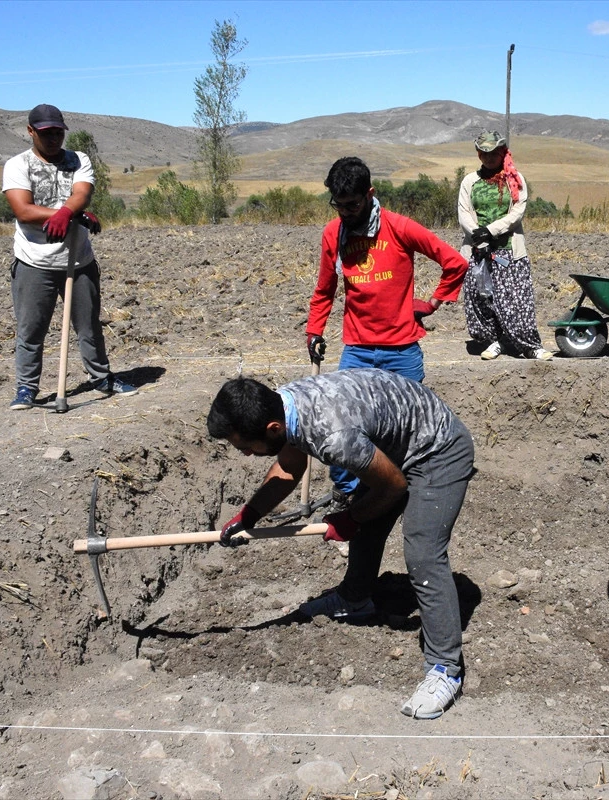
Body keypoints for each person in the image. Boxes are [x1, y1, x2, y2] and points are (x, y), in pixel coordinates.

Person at [207, 369, 474, 719]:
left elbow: (394, 487)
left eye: (243, 446)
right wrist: (250, 514)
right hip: (399, 442)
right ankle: (355, 598)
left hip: (438, 450)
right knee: (365, 516)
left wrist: (351, 519)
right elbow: (289, 467)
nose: (242, 452)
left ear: (272, 429)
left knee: (423, 552)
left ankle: (445, 668)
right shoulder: (285, 405)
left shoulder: (333, 436)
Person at [305, 156, 468, 503]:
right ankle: (349, 497)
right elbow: (324, 290)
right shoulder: (333, 233)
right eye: (338, 205)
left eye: (352, 204)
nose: (345, 212)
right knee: (343, 426)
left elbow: (454, 263)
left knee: (408, 426)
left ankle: (406, 494)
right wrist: (314, 330)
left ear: (370, 194)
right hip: (358, 349)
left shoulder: (399, 227)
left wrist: (433, 303)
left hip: (402, 350)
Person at [2, 103, 136, 410]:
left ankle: (101, 378)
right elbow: (22, 210)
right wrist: (68, 215)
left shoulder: (79, 159)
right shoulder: (17, 165)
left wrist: (68, 212)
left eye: (58, 133)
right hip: (34, 261)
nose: (53, 139)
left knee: (89, 324)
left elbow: (82, 193)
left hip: (78, 259)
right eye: (46, 133)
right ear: (31, 131)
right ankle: (26, 388)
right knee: (30, 328)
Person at [457, 131, 552, 361]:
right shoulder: (470, 181)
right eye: (484, 153)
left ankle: (529, 345)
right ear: (479, 154)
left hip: (509, 249)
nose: (489, 158)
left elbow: (517, 212)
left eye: (494, 153)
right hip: (478, 250)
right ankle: (494, 341)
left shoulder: (514, 179)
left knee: (516, 298)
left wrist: (490, 230)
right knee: (482, 298)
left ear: (502, 152)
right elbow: (464, 212)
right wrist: (479, 236)